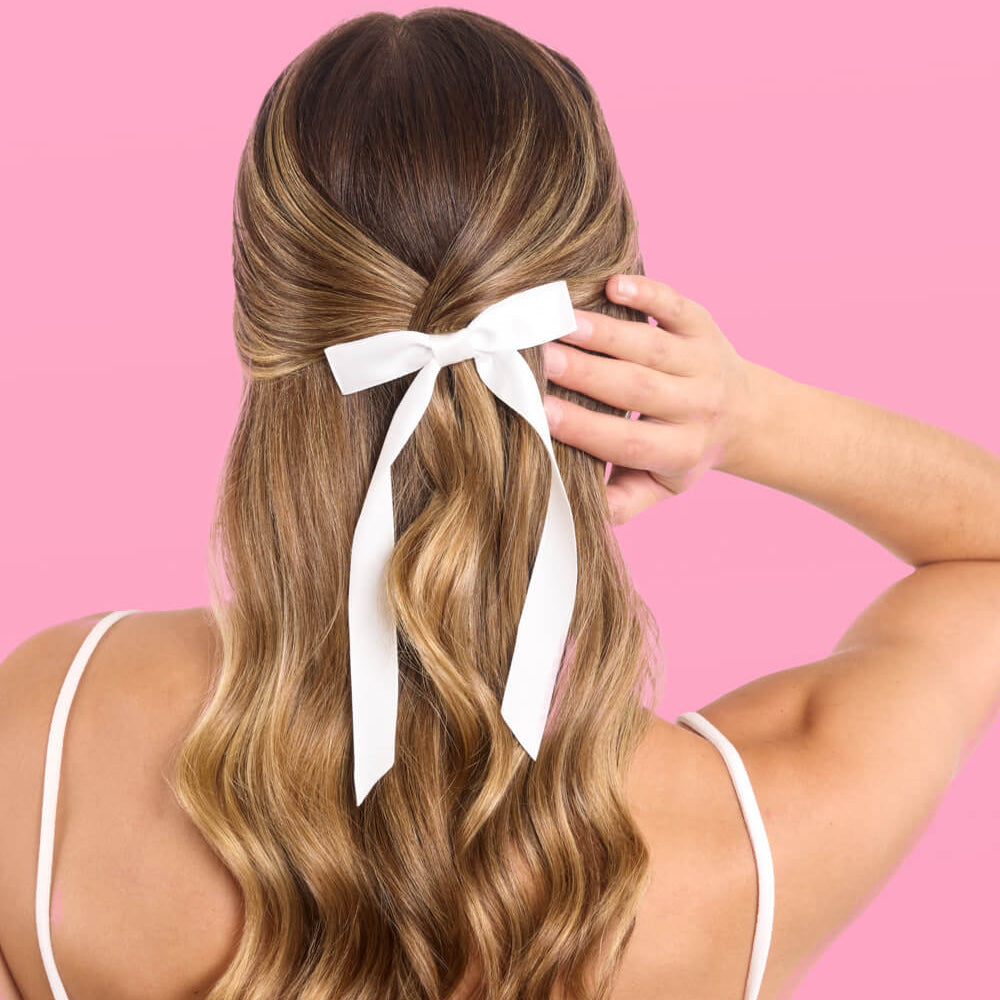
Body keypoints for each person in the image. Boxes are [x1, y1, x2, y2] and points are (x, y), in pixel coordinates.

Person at [2, 8, 999, 1000]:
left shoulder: (53, 729)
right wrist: (748, 415)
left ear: (264, 323)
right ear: (615, 325)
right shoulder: (753, 837)